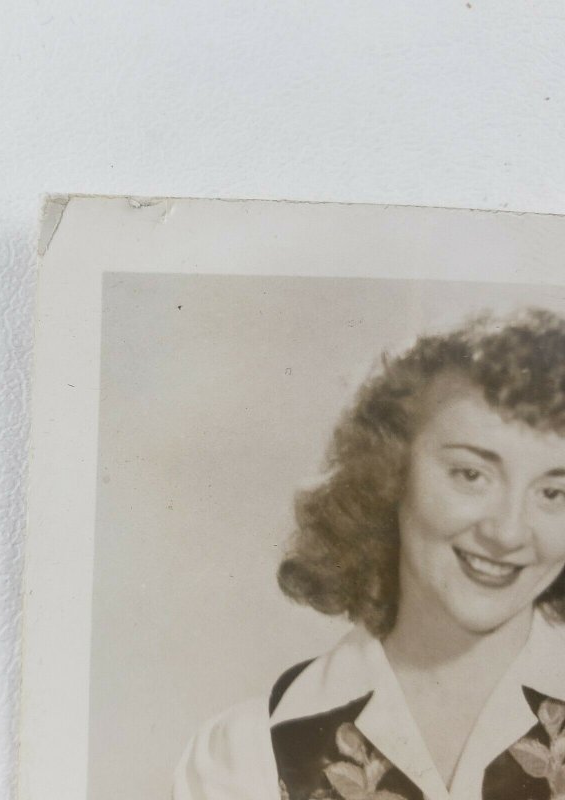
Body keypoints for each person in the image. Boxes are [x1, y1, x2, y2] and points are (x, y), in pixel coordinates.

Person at [173, 307, 565, 800]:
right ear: (390, 473)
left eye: (554, 493)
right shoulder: (249, 752)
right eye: (471, 475)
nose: (508, 532)